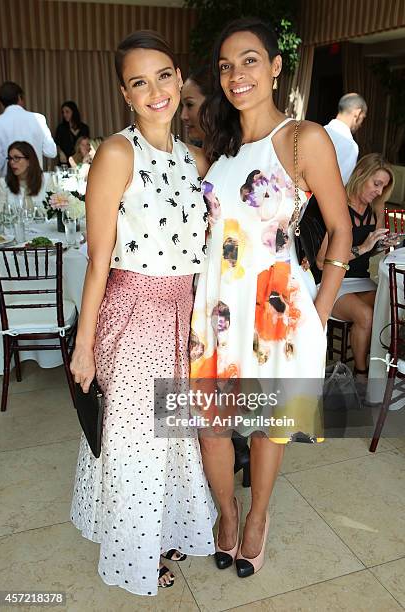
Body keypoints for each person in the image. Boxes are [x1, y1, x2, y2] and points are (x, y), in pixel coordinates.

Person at [190, 17, 352, 578]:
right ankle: (226, 513)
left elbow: (340, 229)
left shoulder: (303, 138)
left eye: (250, 60)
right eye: (227, 66)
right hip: (212, 306)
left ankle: (257, 517)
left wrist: (321, 311)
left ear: (277, 66)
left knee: (265, 421)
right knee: (211, 422)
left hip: (272, 309)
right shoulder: (224, 148)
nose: (237, 75)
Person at [69, 30, 216, 596]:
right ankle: (135, 553)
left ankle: (165, 528)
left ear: (180, 80)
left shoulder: (196, 159)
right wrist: (85, 346)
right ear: (124, 94)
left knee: (173, 434)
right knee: (135, 441)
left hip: (181, 314)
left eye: (163, 76)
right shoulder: (115, 152)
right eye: (139, 82)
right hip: (132, 314)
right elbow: (97, 261)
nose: (155, 90)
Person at [181, 67, 251, 485]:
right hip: (190, 290)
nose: (183, 113)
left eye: (190, 104)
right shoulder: (187, 155)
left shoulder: (232, 159)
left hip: (229, 291)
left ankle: (233, 455)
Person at [316, 154, 394, 379]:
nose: (379, 192)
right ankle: (361, 373)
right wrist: (364, 247)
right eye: (376, 184)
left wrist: (381, 245)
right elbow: (322, 261)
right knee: (367, 316)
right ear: (361, 175)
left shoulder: (376, 208)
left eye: (384, 186)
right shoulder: (338, 207)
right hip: (333, 280)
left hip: (360, 279)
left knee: (387, 309)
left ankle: (380, 369)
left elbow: (371, 248)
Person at [0, 81, 57, 176]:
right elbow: (51, 152)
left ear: (1, 102)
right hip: (36, 183)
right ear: (20, 97)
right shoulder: (38, 119)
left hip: (8, 185)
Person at [324, 93, 367, 185]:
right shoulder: (350, 145)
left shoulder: (320, 131)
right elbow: (338, 185)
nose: (361, 124)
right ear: (357, 113)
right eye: (363, 118)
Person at [0, 141, 50, 211]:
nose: (12, 162)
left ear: (29, 161)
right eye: (10, 158)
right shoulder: (3, 183)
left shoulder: (47, 179)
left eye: (16, 158)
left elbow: (55, 212)